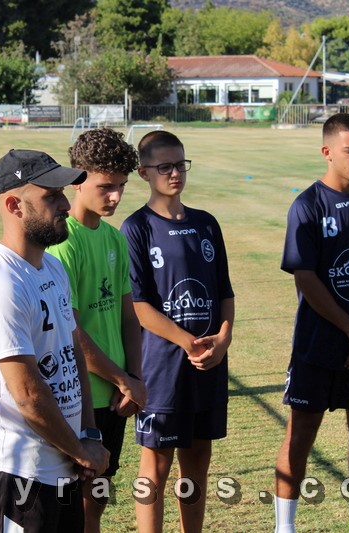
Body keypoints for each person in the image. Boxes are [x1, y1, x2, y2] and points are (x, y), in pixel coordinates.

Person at [0, 149, 110, 533]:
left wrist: (89, 434)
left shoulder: (52, 267)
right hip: (21, 476)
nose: (66, 204)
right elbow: (28, 395)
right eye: (51, 196)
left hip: (63, 464)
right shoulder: (1, 284)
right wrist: (80, 450)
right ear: (14, 205)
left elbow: (73, 353)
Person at [273, 113, 349, 533]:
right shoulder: (307, 206)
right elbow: (306, 279)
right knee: (301, 431)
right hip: (318, 343)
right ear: (327, 152)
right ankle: (285, 527)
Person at [120, 130, 235, 533]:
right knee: (156, 464)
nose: (175, 174)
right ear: (143, 172)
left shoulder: (206, 224)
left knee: (198, 459)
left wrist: (223, 338)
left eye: (180, 165)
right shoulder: (137, 228)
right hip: (162, 368)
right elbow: (139, 306)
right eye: (165, 166)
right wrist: (188, 342)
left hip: (208, 364)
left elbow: (224, 292)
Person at [45, 128, 146, 533]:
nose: (116, 197)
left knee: (98, 499)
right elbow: (71, 330)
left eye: (121, 186)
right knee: (74, 505)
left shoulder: (115, 239)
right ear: (77, 180)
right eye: (106, 187)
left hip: (118, 396)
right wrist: (123, 379)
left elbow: (128, 317)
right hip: (79, 397)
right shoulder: (61, 244)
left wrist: (134, 378)